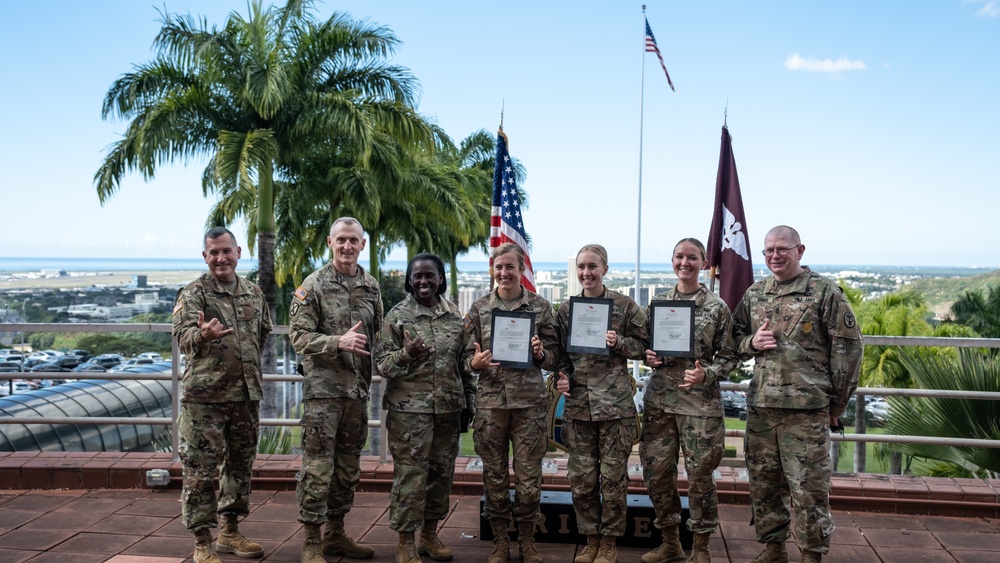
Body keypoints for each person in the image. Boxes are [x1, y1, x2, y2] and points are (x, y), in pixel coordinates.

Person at [732, 226, 862, 563]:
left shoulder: (824, 292)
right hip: (762, 408)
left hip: (806, 412)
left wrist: (837, 404)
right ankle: (774, 550)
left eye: (782, 249)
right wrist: (751, 343)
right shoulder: (755, 293)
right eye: (768, 250)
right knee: (764, 485)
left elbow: (847, 352)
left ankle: (811, 556)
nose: (775, 255)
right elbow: (733, 340)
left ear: (800, 250)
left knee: (809, 491)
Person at [172, 227, 272, 563]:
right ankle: (202, 540)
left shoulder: (254, 294)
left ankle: (229, 531)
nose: (221, 258)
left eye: (226, 251)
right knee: (201, 472)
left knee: (239, 467)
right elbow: (183, 338)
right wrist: (202, 335)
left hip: (244, 397)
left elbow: (263, 335)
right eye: (213, 252)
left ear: (239, 252)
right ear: (205, 256)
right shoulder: (194, 293)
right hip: (205, 400)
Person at [289, 217, 383, 563]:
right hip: (323, 396)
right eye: (341, 240)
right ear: (330, 243)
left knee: (347, 468)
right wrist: (336, 341)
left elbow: (378, 338)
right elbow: (298, 337)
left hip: (356, 394)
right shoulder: (312, 286)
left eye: (353, 240)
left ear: (362, 245)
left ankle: (336, 533)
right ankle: (311, 540)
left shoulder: (371, 287)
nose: (347, 246)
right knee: (318, 468)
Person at [639, 238, 738, 563]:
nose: (685, 262)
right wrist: (649, 357)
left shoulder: (716, 307)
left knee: (699, 478)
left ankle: (701, 548)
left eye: (692, 257)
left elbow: (730, 356)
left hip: (700, 407)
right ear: (672, 261)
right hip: (661, 405)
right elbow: (646, 348)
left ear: (703, 262)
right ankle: (670, 542)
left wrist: (707, 374)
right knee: (658, 474)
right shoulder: (660, 303)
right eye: (680, 256)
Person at [374, 253, 476, 563]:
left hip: (447, 410)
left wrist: (468, 405)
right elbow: (381, 366)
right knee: (411, 477)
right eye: (417, 275)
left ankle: (429, 536)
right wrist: (405, 355)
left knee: (441, 476)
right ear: (409, 279)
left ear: (441, 279)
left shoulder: (454, 317)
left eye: (429, 275)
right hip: (410, 414)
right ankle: (406, 542)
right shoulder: (397, 316)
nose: (423, 281)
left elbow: (465, 365)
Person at [463, 242, 560, 563]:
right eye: (499, 267)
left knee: (530, 480)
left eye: (510, 267)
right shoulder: (478, 309)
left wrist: (540, 353)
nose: (504, 273)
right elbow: (463, 356)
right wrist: (474, 363)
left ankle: (528, 540)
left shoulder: (541, 308)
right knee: (494, 477)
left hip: (529, 406)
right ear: (493, 269)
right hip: (491, 406)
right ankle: (501, 541)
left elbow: (555, 357)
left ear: (522, 270)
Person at [554, 244, 648, 563]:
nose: (586, 272)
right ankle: (590, 538)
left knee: (613, 478)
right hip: (579, 408)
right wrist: (561, 375)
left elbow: (647, 345)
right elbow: (558, 356)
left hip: (615, 409)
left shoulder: (624, 305)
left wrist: (618, 343)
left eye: (593, 266)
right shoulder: (567, 311)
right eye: (581, 267)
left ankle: (609, 542)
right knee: (582, 480)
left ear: (604, 269)